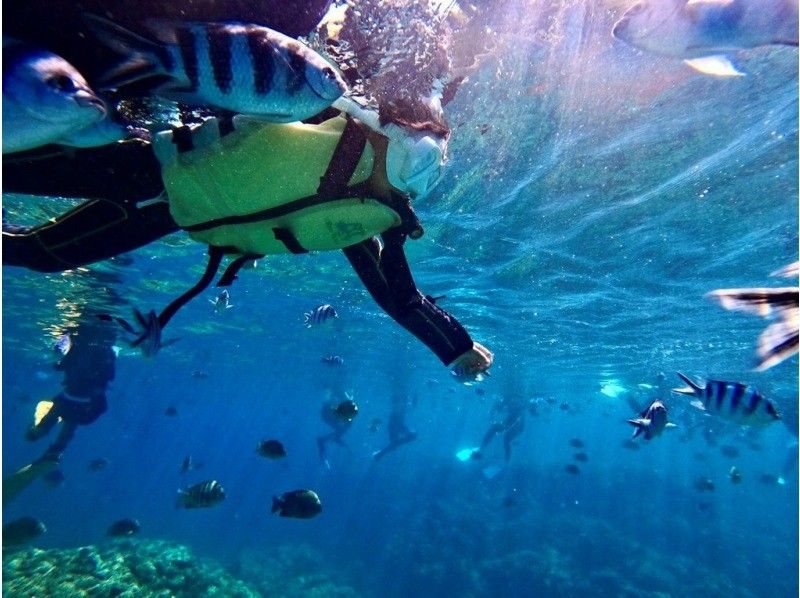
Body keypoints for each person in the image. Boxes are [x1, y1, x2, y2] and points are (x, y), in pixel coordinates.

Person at [4, 313, 117, 502]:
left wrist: (60, 361)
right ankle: (55, 449)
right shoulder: (106, 352)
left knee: (58, 412)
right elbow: (108, 376)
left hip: (70, 395)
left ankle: (41, 430)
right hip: (84, 400)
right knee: (69, 425)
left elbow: (62, 363)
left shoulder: (80, 345)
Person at [472, 393, 528, 463]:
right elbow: (496, 409)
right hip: (510, 420)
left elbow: (517, 420)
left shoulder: (517, 403)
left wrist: (505, 428)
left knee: (507, 438)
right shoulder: (507, 400)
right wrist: (493, 414)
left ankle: (507, 460)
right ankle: (481, 448)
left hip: (519, 426)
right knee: (494, 428)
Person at [372, 387, 418, 461]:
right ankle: (379, 454)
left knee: (410, 437)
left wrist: (414, 397)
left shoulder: (403, 405)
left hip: (398, 426)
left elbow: (409, 405)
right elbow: (399, 408)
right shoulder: (399, 405)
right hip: (393, 426)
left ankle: (379, 454)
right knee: (394, 444)